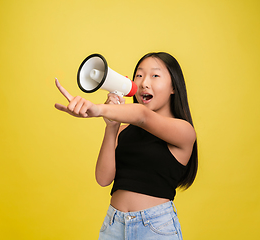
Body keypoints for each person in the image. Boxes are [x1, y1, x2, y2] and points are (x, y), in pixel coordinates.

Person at [55, 52, 198, 240]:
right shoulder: (123, 131)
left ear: (174, 87)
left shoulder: (184, 131)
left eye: (155, 75)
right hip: (113, 225)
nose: (144, 83)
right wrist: (112, 126)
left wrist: (98, 109)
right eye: (139, 75)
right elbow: (103, 178)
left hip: (156, 228)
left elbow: (142, 116)